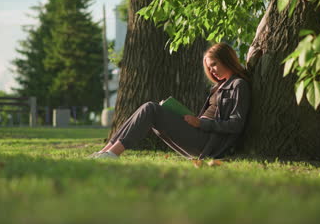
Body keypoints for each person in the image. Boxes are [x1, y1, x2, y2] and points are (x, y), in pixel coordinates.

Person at [91, 42, 251, 159]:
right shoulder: (219, 87)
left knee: (151, 109)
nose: (211, 71)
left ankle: (112, 154)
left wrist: (200, 123)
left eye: (214, 65)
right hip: (200, 133)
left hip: (209, 142)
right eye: (208, 68)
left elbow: (236, 124)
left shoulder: (238, 85)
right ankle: (106, 151)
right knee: (149, 109)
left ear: (226, 59)